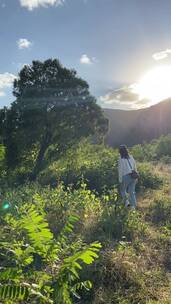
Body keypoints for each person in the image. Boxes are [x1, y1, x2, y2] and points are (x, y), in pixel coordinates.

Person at [118, 145, 138, 209]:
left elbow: (120, 170)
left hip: (126, 177)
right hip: (133, 176)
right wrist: (136, 176)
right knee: (131, 192)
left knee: (122, 190)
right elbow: (135, 167)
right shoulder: (131, 157)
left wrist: (120, 180)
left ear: (120, 151)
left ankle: (127, 203)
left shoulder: (121, 159)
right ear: (126, 150)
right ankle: (133, 207)